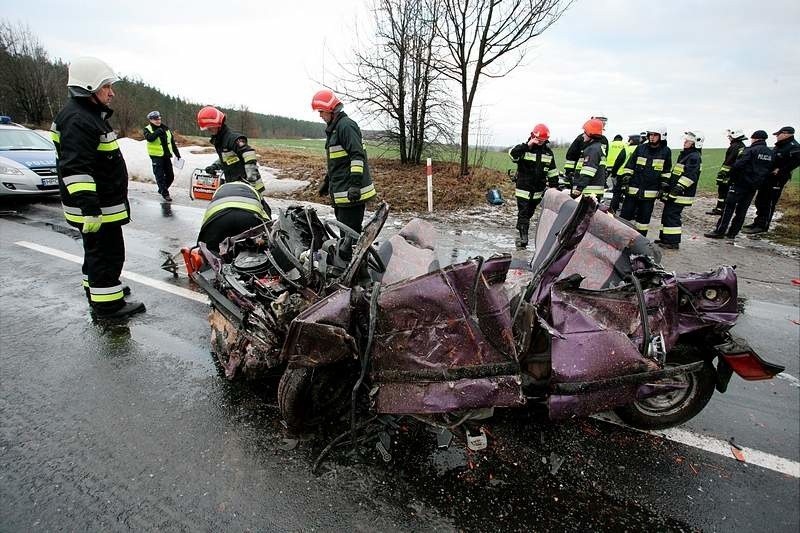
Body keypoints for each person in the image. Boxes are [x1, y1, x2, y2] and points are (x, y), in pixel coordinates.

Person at [51, 57, 145, 319]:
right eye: (106, 87)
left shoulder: (86, 115)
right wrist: (90, 209)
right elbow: (77, 169)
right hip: (96, 208)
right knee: (107, 254)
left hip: (98, 206)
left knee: (95, 253)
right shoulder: (79, 120)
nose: (111, 92)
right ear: (89, 87)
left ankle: (100, 289)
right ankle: (108, 306)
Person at [311, 89, 376, 234]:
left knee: (350, 238)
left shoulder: (346, 126)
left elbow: (357, 156)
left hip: (351, 195)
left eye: (321, 111)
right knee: (346, 237)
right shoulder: (335, 129)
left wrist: (355, 185)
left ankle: (352, 257)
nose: (320, 115)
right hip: (342, 194)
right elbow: (339, 163)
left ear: (330, 109)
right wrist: (327, 182)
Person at [705, 130, 773, 240]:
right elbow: (769, 169)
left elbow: (738, 165)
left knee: (728, 208)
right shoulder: (770, 153)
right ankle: (732, 233)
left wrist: (732, 178)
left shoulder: (750, 150)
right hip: (754, 186)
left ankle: (719, 231)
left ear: (754, 138)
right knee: (742, 211)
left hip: (740, 184)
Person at [508, 123, 559, 248]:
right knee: (524, 211)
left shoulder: (548, 153)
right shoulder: (524, 149)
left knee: (529, 212)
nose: (540, 142)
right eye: (538, 140)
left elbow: (552, 171)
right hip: (523, 187)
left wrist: (554, 187)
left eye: (543, 140)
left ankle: (521, 225)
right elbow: (512, 154)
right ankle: (523, 238)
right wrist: (528, 145)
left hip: (538, 189)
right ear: (533, 136)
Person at [743, 126, 800, 234]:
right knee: (760, 200)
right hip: (768, 177)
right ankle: (757, 222)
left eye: (779, 134)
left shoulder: (794, 147)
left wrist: (781, 170)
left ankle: (763, 226)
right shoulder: (780, 146)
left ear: (787, 134)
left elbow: (796, 161)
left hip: (777, 179)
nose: (777, 136)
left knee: (769, 202)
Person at [196, 106, 264, 195]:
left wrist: (251, 179)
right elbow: (227, 158)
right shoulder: (221, 140)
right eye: (207, 128)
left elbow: (249, 154)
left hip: (249, 184)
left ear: (219, 123)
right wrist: (215, 166)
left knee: (257, 207)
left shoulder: (233, 138)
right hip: (234, 184)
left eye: (211, 127)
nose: (209, 130)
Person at [618, 127, 672, 236]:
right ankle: (620, 238)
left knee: (643, 220)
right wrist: (626, 180)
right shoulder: (640, 148)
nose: (652, 137)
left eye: (655, 135)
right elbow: (629, 166)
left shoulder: (666, 151)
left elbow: (666, 171)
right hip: (633, 190)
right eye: (650, 135)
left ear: (662, 136)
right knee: (625, 217)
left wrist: (663, 186)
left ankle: (639, 241)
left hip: (650, 192)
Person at [654, 131, 703, 250]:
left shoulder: (694, 157)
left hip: (681, 194)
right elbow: (676, 173)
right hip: (676, 192)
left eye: (688, 141)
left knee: (672, 215)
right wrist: (667, 185)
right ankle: (665, 238)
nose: (685, 142)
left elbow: (690, 176)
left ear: (695, 144)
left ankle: (672, 242)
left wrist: (677, 189)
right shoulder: (686, 155)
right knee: (667, 214)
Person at [197, 181, 272, 253]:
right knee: (257, 251)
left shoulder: (219, 190)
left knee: (210, 253)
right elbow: (267, 218)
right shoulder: (254, 191)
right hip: (248, 217)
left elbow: (206, 220)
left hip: (218, 218)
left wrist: (203, 240)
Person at [562, 114, 609, 191]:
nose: (602, 123)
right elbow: (571, 156)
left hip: (590, 183)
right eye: (600, 120)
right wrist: (569, 172)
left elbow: (600, 161)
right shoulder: (582, 139)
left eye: (604, 121)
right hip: (582, 178)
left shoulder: (601, 142)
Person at [143, 110, 181, 201]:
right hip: (156, 156)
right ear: (150, 120)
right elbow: (149, 138)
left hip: (166, 156)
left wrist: (177, 154)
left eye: (159, 119)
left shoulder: (166, 128)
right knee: (159, 176)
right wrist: (157, 132)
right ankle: (165, 193)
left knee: (170, 176)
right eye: (156, 119)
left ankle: (162, 189)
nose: (158, 121)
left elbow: (172, 142)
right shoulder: (147, 129)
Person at [707, 129, 746, 215]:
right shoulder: (741, 146)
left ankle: (720, 209)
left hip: (729, 175)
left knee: (723, 191)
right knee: (726, 192)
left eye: (730, 136)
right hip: (735, 174)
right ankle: (722, 208)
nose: (729, 138)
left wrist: (721, 175)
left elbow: (728, 162)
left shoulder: (734, 147)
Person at [571, 119, 607, 201]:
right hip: (594, 191)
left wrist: (579, 188)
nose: (583, 135)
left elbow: (588, 171)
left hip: (588, 192)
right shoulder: (598, 147)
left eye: (585, 132)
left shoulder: (592, 149)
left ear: (590, 133)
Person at [609, 134, 641, 214]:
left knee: (617, 193)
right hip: (635, 176)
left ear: (631, 140)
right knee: (631, 195)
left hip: (622, 174)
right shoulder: (641, 149)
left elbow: (618, 161)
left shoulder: (627, 149)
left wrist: (613, 173)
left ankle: (612, 210)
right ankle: (632, 212)